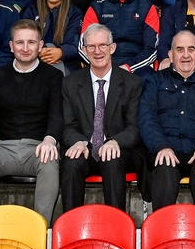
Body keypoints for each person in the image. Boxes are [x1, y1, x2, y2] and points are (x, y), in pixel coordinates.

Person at [0, 19, 64, 223]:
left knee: (50, 161)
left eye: (31, 42)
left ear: (41, 45)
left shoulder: (53, 76)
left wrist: (50, 140)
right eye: (20, 42)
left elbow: (57, 114)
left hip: (38, 148)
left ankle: (41, 228)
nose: (25, 48)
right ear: (11, 46)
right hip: (3, 147)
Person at [61, 23, 144, 211]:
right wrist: (78, 142)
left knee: (111, 160)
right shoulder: (70, 83)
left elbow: (134, 127)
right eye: (91, 46)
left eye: (103, 46)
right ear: (84, 50)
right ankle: (70, 226)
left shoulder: (132, 83)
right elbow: (67, 126)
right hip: (85, 148)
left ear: (112, 48)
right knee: (71, 162)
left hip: (119, 150)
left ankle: (117, 228)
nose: (97, 51)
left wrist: (115, 141)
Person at [139, 31, 195, 213]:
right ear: (170, 55)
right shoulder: (155, 81)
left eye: (191, 49)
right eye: (180, 49)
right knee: (164, 169)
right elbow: (147, 117)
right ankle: (162, 237)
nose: (185, 55)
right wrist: (161, 146)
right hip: (166, 149)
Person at [82, 0, 159, 78]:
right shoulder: (96, 7)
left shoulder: (147, 7)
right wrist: (105, 67)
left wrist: (128, 67)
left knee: (148, 78)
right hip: (102, 65)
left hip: (136, 68)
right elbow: (83, 46)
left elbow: (151, 50)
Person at [22, 0, 84, 75]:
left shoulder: (75, 13)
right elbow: (24, 41)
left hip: (66, 67)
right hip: (35, 65)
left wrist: (61, 52)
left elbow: (76, 45)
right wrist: (40, 51)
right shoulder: (30, 12)